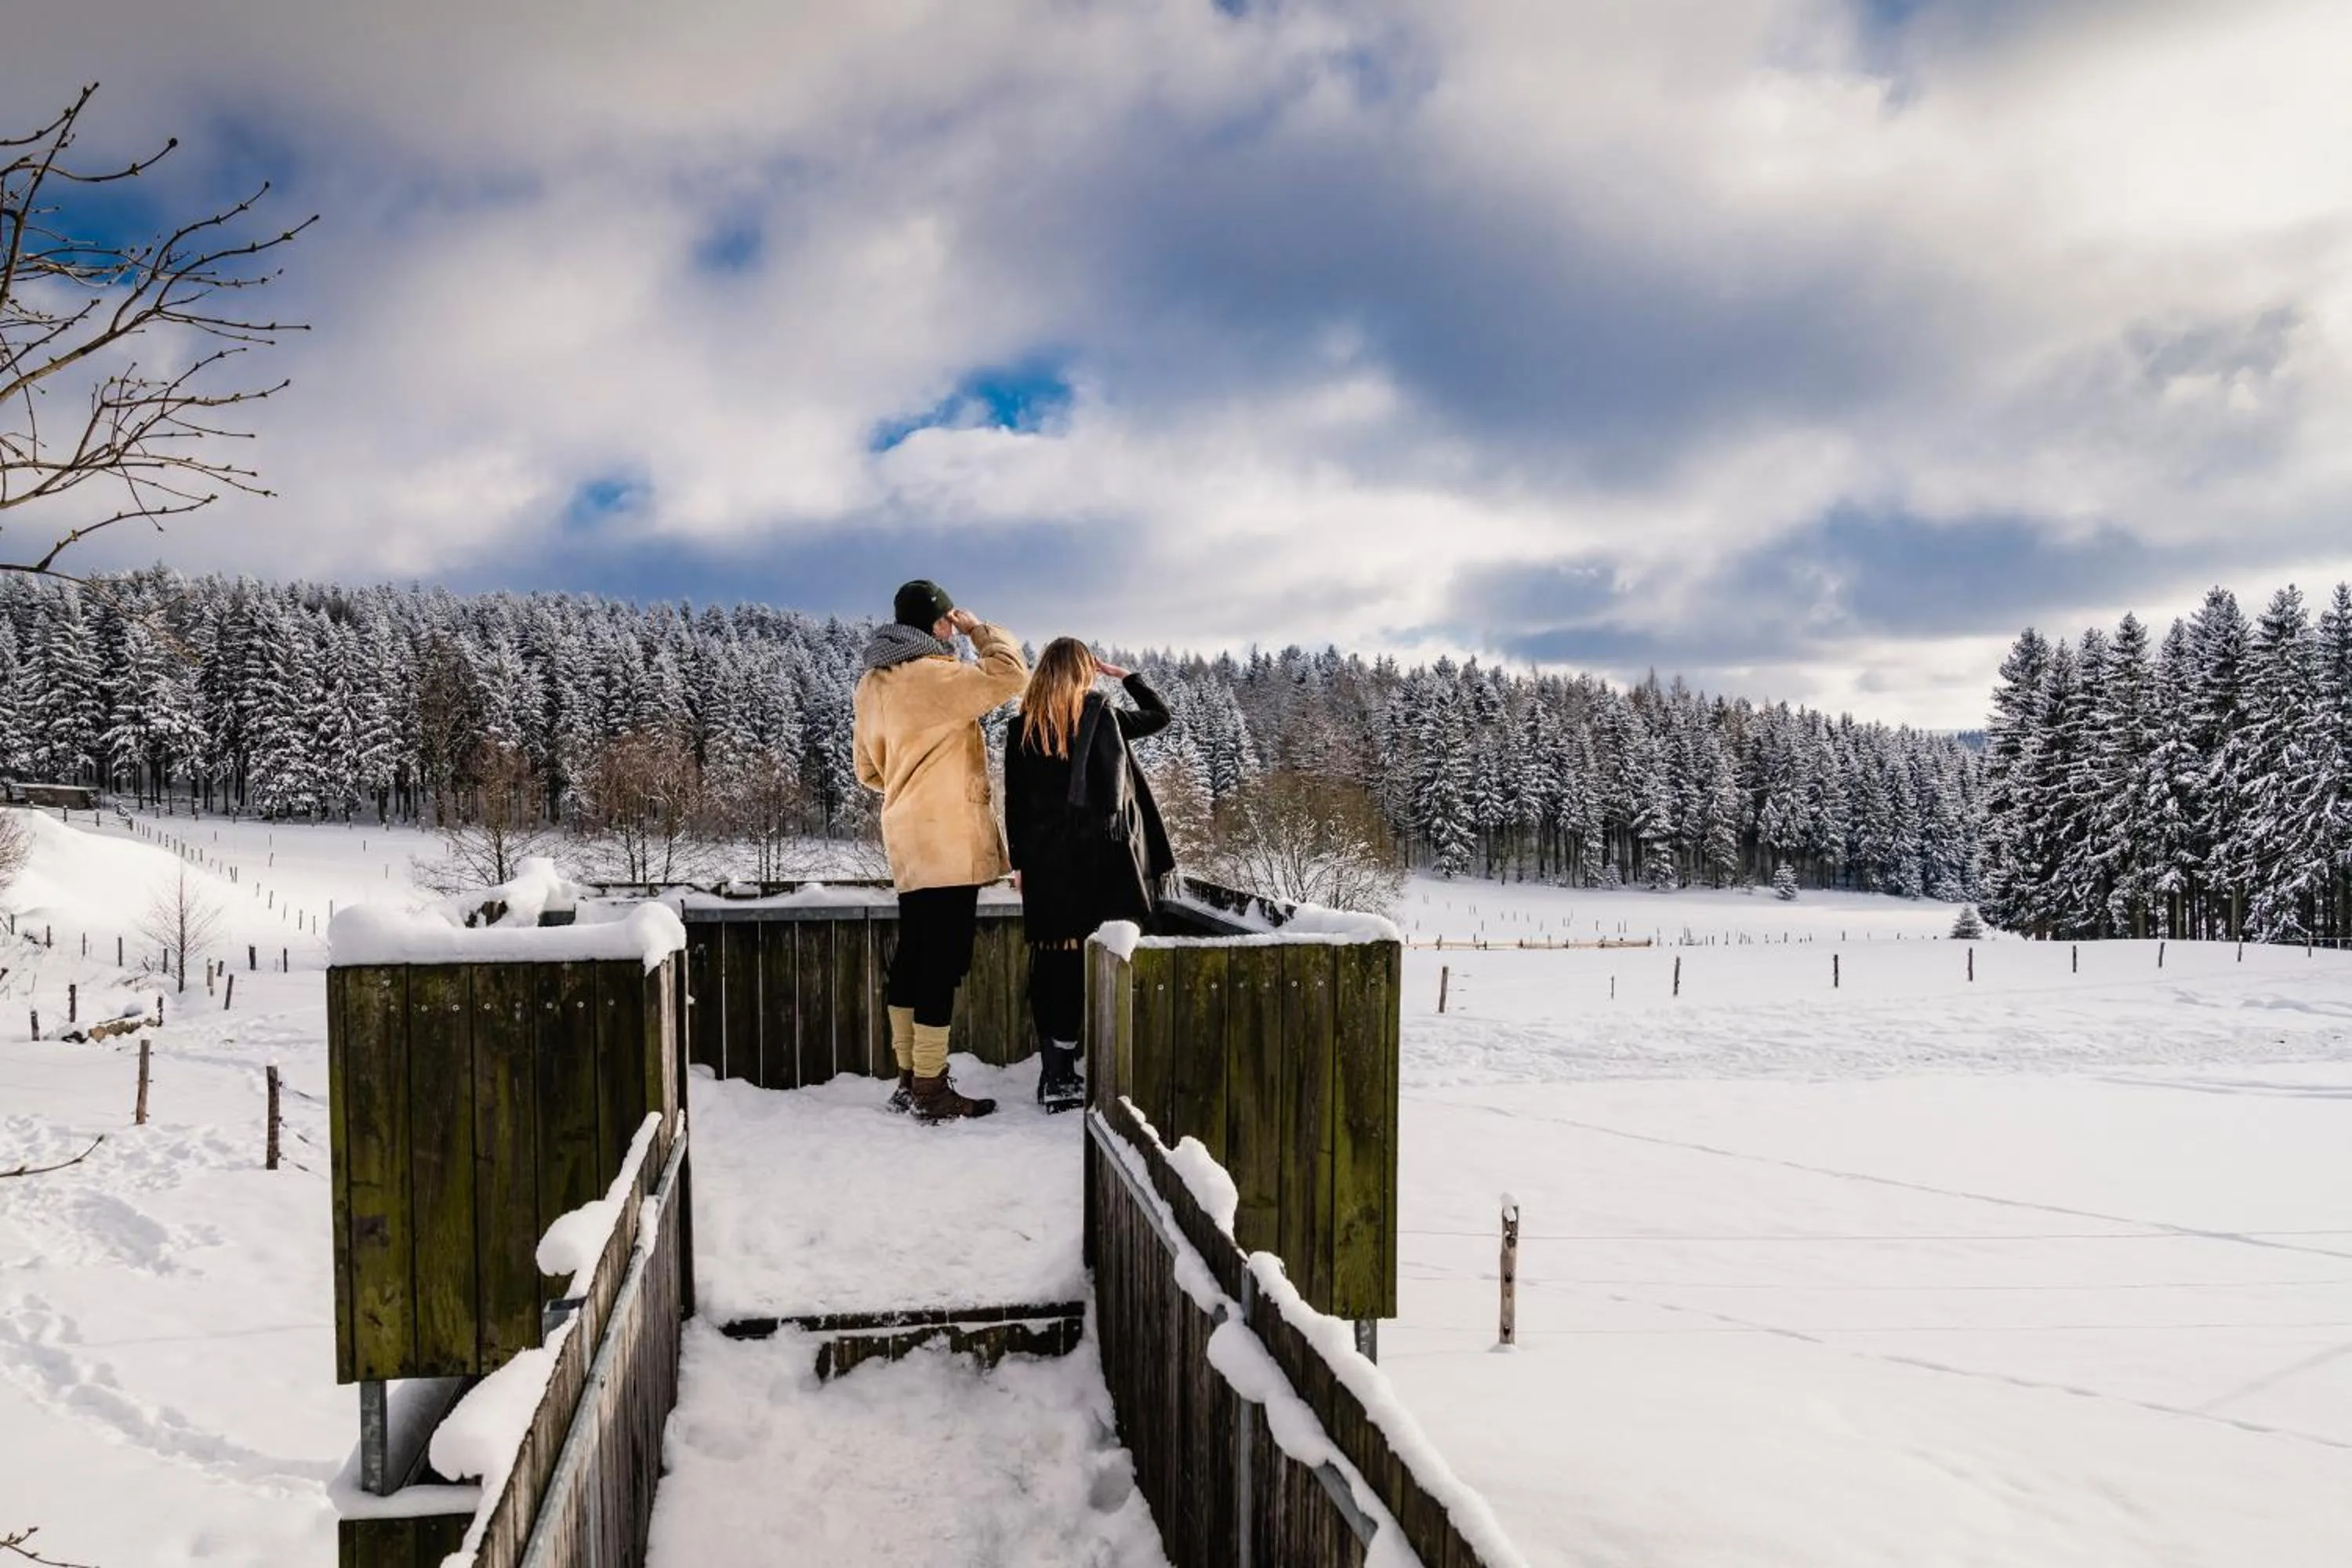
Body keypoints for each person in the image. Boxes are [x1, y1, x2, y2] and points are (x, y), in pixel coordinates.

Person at [853, 579, 1029, 1121]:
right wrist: (981, 630)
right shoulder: (936, 674)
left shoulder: (871, 685)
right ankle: (931, 1087)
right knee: (942, 964)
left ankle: (909, 1077)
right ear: (934, 625)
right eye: (949, 622)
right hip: (948, 838)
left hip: (906, 836)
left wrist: (912, 784)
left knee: (912, 957)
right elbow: (1011, 674)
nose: (953, 630)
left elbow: (868, 773)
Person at [1002, 637, 1174, 1112]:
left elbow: (1013, 804)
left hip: (1047, 866)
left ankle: (1056, 1072)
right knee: (1101, 959)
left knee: (1054, 965)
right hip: (1102, 864)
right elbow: (1161, 716)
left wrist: (1018, 865)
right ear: (1085, 672)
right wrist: (1127, 677)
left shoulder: (1022, 730)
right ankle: (1087, 1065)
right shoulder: (1105, 719)